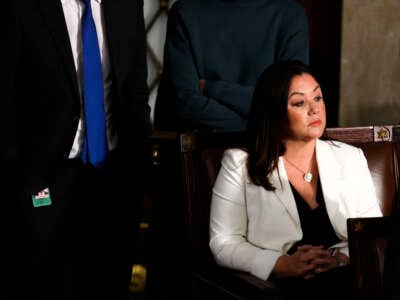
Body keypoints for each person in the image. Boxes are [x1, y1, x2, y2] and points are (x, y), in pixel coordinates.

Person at [0, 1, 151, 299]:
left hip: (113, 175)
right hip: (43, 179)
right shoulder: (20, 7)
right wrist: (19, 178)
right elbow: (4, 102)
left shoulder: (127, 5)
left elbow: (135, 92)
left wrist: (139, 176)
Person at [209, 60, 383, 299]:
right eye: (299, 102)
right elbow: (223, 242)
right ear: (274, 112)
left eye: (318, 98)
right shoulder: (239, 164)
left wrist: (340, 260)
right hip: (282, 288)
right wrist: (281, 264)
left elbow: (373, 234)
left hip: (348, 280)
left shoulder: (350, 158)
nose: (315, 110)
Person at [154, 0, 309, 132]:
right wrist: (262, 124)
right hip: (199, 154)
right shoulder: (186, 11)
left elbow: (290, 101)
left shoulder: (290, 15)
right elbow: (186, 104)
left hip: (271, 155)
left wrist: (211, 88)